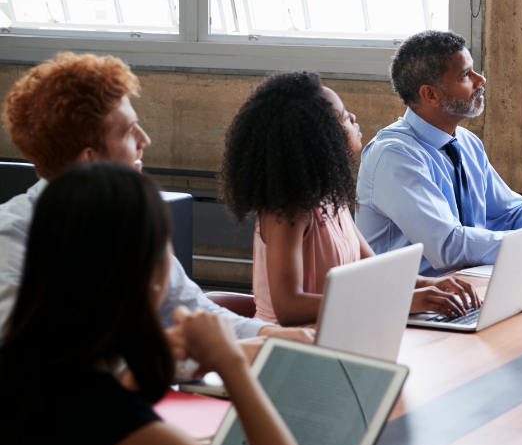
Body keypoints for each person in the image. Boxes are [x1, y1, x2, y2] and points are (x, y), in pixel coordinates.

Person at [0, 52, 309, 344]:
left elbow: (193, 310)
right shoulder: (11, 237)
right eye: (129, 132)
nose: (145, 140)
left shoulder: (127, 220)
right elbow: (41, 354)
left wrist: (280, 336)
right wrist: (203, 356)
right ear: (90, 161)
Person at [0, 162, 301, 445]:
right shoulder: (127, 429)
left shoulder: (29, 381)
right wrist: (232, 366)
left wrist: (140, 373)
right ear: (153, 274)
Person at [220, 71, 480, 326]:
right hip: (289, 346)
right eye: (343, 117)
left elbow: (374, 269)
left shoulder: (330, 196)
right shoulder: (287, 210)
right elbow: (289, 309)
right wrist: (402, 300)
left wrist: (430, 285)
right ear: (318, 137)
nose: (353, 118)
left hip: (338, 333)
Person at [356, 30, 522, 275]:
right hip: (411, 303)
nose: (481, 80)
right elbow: (447, 246)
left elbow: (511, 213)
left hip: (468, 286)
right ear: (430, 94)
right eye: (465, 74)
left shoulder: (466, 142)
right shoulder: (394, 156)